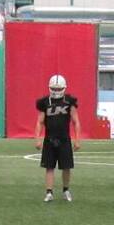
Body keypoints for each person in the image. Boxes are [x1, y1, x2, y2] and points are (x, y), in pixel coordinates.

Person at [35, 74, 82, 203]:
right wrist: (37, 138)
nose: (56, 91)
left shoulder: (69, 101)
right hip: (49, 139)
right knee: (49, 167)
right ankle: (49, 192)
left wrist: (77, 139)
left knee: (66, 166)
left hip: (64, 139)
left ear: (64, 88)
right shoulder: (45, 102)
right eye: (54, 89)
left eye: (58, 89)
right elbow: (40, 121)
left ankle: (66, 190)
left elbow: (76, 121)